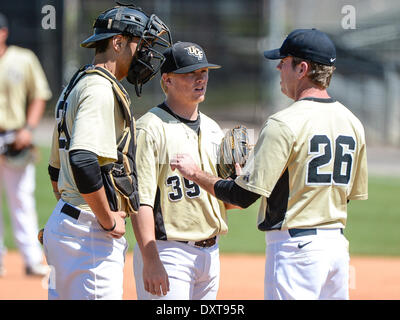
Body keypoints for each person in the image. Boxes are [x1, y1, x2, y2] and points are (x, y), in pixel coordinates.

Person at [171, 28, 368, 300]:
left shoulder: (284, 123)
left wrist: (195, 173)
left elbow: (242, 197)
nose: (278, 67)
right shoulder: (353, 123)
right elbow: (346, 195)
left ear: (302, 68)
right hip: (336, 249)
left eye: (284, 61)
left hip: (296, 252)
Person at [43, 4, 171, 299]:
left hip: (70, 225)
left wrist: (68, 213)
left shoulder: (77, 83)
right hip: (89, 233)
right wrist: (106, 219)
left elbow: (55, 169)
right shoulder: (100, 89)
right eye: (142, 44)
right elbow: (83, 159)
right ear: (118, 43)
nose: (146, 54)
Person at [132, 41, 237, 300]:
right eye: (190, 73)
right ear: (167, 80)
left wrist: (241, 180)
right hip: (168, 252)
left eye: (203, 72)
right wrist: (151, 259)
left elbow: (231, 204)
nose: (200, 79)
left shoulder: (214, 129)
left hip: (211, 253)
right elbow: (140, 201)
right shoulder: (149, 128)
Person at [0, 13, 52, 277]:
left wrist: (29, 129)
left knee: (21, 199)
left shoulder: (23, 58)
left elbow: (39, 94)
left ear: (4, 32)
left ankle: (32, 260)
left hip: (14, 138)